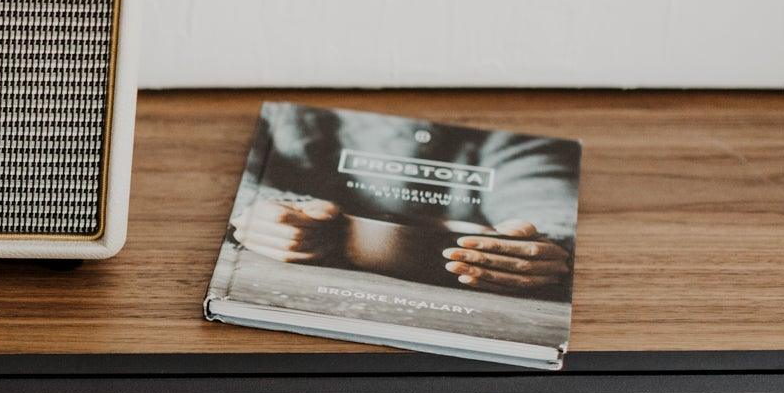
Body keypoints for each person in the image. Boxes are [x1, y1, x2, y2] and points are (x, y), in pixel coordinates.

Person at [230, 106, 576, 291]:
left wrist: (545, 239)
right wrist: (255, 208)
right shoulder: (281, 103)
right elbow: (233, 171)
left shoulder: (501, 116)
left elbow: (543, 189)